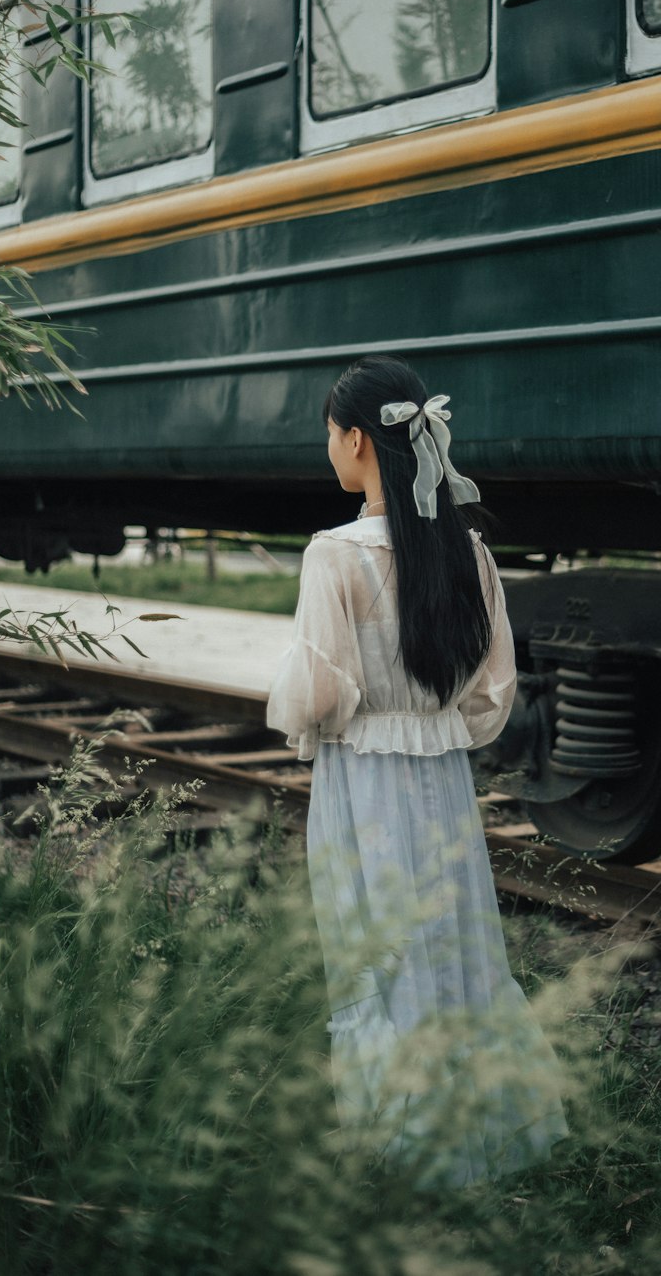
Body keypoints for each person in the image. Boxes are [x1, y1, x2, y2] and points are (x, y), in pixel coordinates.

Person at [267, 355, 568, 1186]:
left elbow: (318, 695)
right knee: (455, 943)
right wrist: (431, 723)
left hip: (361, 777)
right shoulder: (465, 550)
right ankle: (487, 1128)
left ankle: (400, 1137)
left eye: (330, 435)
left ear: (358, 439)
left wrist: (318, 705)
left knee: (376, 947)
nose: (328, 449)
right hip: (442, 779)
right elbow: (491, 693)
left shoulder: (334, 556)